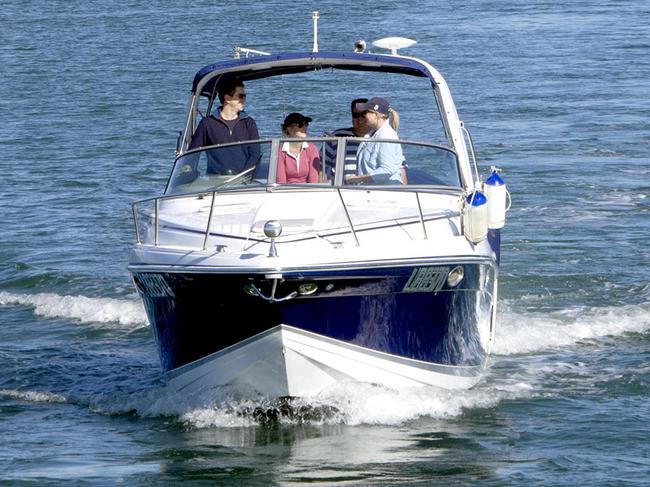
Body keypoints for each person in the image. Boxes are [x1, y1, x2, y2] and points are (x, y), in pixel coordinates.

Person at [188, 78, 260, 175]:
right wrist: (187, 171)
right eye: (241, 96)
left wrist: (243, 176)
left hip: (245, 180)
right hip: (215, 182)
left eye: (245, 96)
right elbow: (192, 154)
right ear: (227, 99)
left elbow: (255, 154)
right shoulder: (207, 124)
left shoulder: (249, 123)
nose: (244, 99)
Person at [347, 97, 404, 185]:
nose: (364, 116)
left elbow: (386, 170)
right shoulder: (373, 133)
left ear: (376, 115)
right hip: (372, 191)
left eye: (366, 112)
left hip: (384, 192)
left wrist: (357, 179)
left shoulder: (386, 135)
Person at [324, 98, 370, 178]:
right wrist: (336, 171)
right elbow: (322, 167)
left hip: (370, 188)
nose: (360, 119)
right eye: (356, 115)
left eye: (363, 114)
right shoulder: (337, 136)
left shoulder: (380, 138)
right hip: (341, 188)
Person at [276, 113, 321, 184]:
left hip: (308, 190)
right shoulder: (280, 152)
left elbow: (313, 180)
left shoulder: (312, 149)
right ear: (289, 129)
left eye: (306, 124)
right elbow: (281, 182)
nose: (304, 127)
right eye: (300, 124)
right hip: (286, 191)